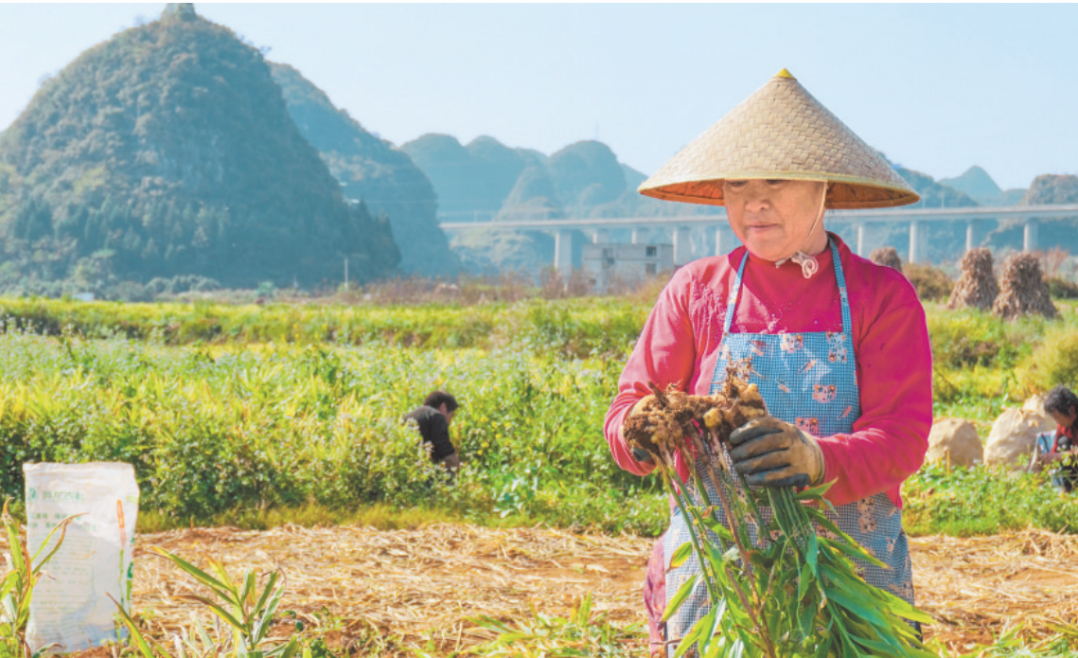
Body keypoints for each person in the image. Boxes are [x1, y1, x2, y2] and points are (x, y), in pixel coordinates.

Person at [604, 69, 932, 656]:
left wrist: (815, 457)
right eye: (737, 184)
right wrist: (643, 429)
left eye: (776, 180)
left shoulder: (881, 297)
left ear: (823, 186)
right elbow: (627, 409)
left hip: (848, 579)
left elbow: (903, 438)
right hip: (721, 583)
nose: (754, 201)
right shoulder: (695, 290)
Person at [403, 390, 461, 473]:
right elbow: (448, 456)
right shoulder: (437, 417)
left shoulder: (407, 417)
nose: (449, 422)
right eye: (451, 416)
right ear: (443, 408)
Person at [1038, 385, 1078, 492]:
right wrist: (1049, 460)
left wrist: (1058, 456)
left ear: (1071, 410)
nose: (1057, 422)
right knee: (1063, 442)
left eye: (1058, 417)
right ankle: (1070, 489)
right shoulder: (1064, 425)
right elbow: (1056, 446)